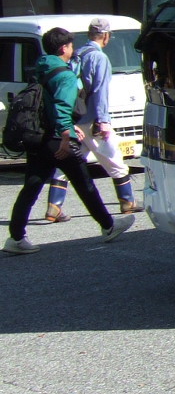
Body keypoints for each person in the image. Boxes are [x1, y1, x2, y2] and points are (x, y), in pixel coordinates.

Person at [6, 28, 137, 254]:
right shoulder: (65, 75)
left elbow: (46, 104)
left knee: (32, 185)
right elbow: (61, 107)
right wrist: (67, 134)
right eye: (70, 45)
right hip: (57, 138)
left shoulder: (42, 66)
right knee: (84, 182)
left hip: (39, 136)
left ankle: (15, 238)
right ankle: (108, 225)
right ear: (63, 48)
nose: (72, 49)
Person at [41, 17, 142, 222]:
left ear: (89, 35)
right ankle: (127, 201)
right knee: (114, 160)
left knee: (66, 164)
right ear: (106, 36)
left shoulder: (77, 54)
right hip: (92, 119)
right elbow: (100, 91)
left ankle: (54, 207)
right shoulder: (100, 58)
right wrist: (103, 120)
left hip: (75, 118)